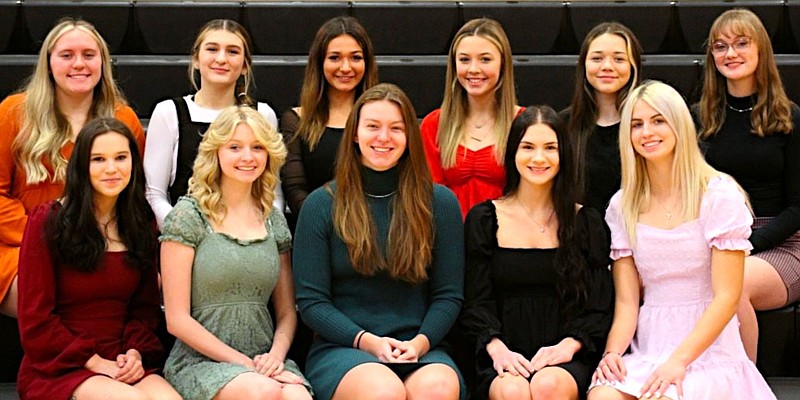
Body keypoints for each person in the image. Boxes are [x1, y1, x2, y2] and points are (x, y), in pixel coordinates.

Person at [588, 80, 776, 400]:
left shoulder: (718, 194)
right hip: (650, 346)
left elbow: (728, 297)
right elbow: (627, 301)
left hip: (709, 351)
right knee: (601, 396)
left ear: (678, 124)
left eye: (658, 120)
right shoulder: (622, 205)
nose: (647, 132)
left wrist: (678, 361)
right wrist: (612, 354)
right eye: (637, 124)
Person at [293, 83, 465, 400]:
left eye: (396, 129)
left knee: (439, 388)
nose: (383, 138)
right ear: (355, 134)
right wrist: (368, 341)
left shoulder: (439, 203)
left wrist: (419, 343)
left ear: (409, 138)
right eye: (373, 127)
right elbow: (312, 303)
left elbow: (448, 295)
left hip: (419, 346)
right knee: (382, 391)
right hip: (345, 347)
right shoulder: (321, 205)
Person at [16, 118, 178, 400]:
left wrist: (135, 353)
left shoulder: (141, 223)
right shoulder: (48, 220)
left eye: (121, 157)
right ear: (82, 166)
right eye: (98, 159)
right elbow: (36, 318)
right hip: (61, 365)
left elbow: (144, 310)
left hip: (121, 358)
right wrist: (95, 363)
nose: (112, 168)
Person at [461, 106, 613, 400]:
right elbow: (475, 300)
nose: (539, 158)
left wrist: (568, 346)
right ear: (513, 154)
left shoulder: (587, 222)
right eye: (528, 147)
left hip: (567, 353)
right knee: (512, 389)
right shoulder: (484, 218)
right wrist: (496, 348)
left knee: (548, 386)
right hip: (501, 352)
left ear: (563, 156)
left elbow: (598, 304)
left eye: (550, 148)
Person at [160, 106, 311, 400]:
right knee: (262, 391)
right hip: (200, 361)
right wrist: (245, 365)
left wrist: (275, 357)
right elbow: (176, 319)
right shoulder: (188, 215)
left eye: (257, 147)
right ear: (216, 152)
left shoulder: (273, 220)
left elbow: (286, 311)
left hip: (263, 359)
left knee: (298, 397)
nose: (247, 157)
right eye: (234, 147)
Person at [0, 18, 144, 318]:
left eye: (89, 55)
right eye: (67, 55)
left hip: (101, 243)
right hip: (24, 245)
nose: (79, 64)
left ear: (103, 62)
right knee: (55, 295)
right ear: (49, 63)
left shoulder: (124, 119)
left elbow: (134, 195)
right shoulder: (12, 112)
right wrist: (45, 238)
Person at [695, 8, 800, 362]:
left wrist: (744, 244)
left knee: (730, 286)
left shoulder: (790, 117)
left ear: (761, 51)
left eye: (741, 43)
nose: (731, 53)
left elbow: (799, 207)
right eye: (720, 46)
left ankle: (743, 387)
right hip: (714, 240)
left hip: (781, 244)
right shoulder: (699, 118)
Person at [145, 19, 282, 229]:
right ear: (196, 60)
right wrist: (184, 234)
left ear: (245, 66)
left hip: (248, 242)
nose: (221, 59)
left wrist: (260, 235)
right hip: (186, 241)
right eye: (212, 49)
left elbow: (273, 193)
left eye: (233, 52)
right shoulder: (169, 112)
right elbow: (155, 194)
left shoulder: (262, 114)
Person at [421, 18, 523, 218]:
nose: (473, 69)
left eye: (485, 59)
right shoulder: (433, 125)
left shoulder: (523, 123)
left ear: (503, 63)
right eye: (464, 60)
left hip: (507, 239)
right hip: (450, 237)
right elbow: (429, 198)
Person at [280, 16, 378, 218]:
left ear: (367, 63)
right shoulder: (296, 120)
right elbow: (295, 190)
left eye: (356, 57)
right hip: (317, 231)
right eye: (334, 57)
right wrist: (331, 226)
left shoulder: (382, 119)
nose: (345, 67)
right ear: (319, 62)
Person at [560, 22, 642, 211]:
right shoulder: (563, 125)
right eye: (597, 58)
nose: (607, 66)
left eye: (619, 59)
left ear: (633, 66)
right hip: (581, 234)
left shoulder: (647, 125)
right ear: (584, 65)